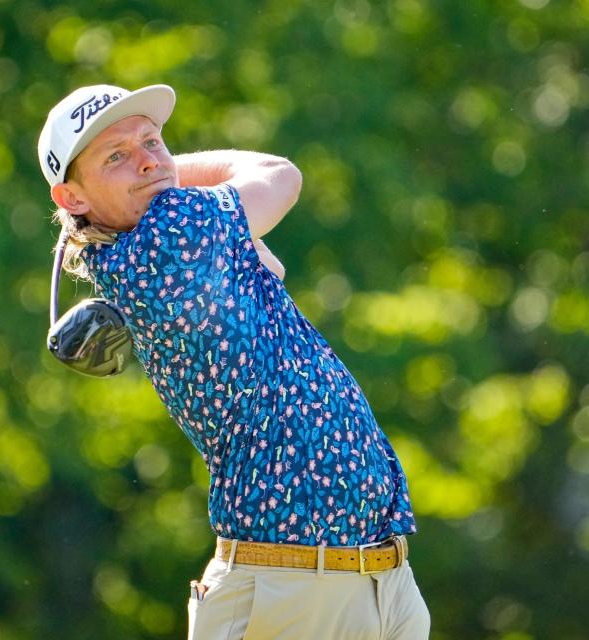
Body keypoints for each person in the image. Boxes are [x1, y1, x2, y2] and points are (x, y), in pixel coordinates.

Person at [37, 83, 431, 639]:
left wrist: (155, 174)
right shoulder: (173, 232)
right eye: (116, 156)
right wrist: (174, 181)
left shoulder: (165, 233)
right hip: (290, 590)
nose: (148, 159)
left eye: (153, 141)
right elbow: (279, 174)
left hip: (374, 581)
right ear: (71, 198)